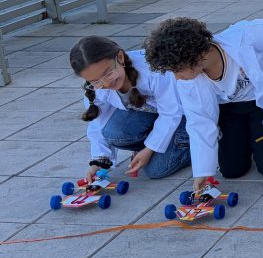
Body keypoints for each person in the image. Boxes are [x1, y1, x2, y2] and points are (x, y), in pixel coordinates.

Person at [144, 17, 263, 193]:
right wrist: (202, 172)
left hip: (262, 104)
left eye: (177, 70)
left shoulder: (245, 37)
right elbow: (199, 122)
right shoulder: (188, 81)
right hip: (229, 109)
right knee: (231, 171)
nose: (176, 77)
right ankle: (247, 138)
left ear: (195, 56)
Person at [69, 36, 190, 180]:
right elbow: (98, 124)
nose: (106, 84)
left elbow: (171, 113)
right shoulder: (96, 88)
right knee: (113, 132)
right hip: (156, 113)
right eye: (96, 81)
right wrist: (99, 161)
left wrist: (150, 149)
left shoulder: (154, 72)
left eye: (108, 74)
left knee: (156, 169)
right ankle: (165, 142)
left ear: (120, 57)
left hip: (186, 114)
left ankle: (195, 144)